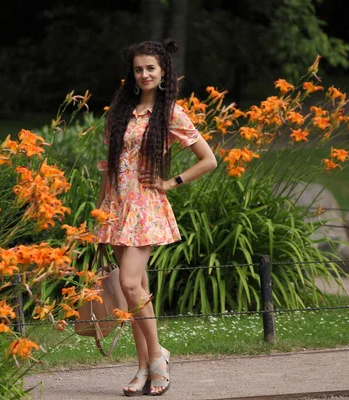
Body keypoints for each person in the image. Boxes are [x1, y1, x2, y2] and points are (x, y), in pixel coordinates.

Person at [94, 38, 217, 396]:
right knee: (136, 291)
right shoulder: (120, 112)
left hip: (146, 206)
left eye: (151, 68)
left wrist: (170, 182)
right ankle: (143, 364)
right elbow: (109, 169)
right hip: (116, 207)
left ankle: (159, 357)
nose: (144, 74)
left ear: (163, 72)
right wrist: (101, 212)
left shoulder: (171, 114)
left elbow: (208, 159)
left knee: (130, 284)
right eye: (138, 69)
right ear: (131, 74)